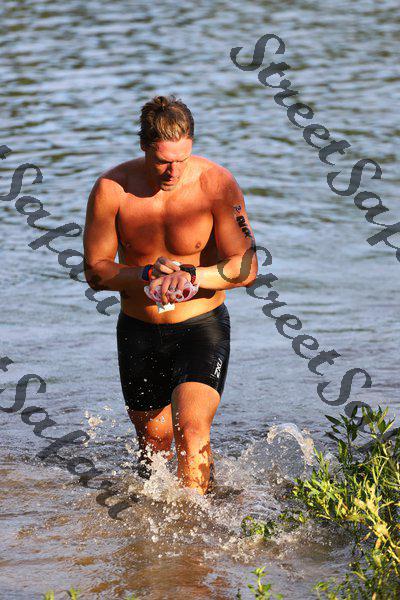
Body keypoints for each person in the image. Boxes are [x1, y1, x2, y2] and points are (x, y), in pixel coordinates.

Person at [83, 94, 258, 496]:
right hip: (138, 331)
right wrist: (145, 274)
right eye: (163, 161)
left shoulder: (217, 184)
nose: (173, 171)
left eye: (182, 159)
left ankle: (197, 529)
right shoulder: (112, 189)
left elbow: (246, 267)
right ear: (144, 146)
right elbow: (96, 272)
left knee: (192, 431)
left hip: (201, 327)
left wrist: (193, 275)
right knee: (154, 447)